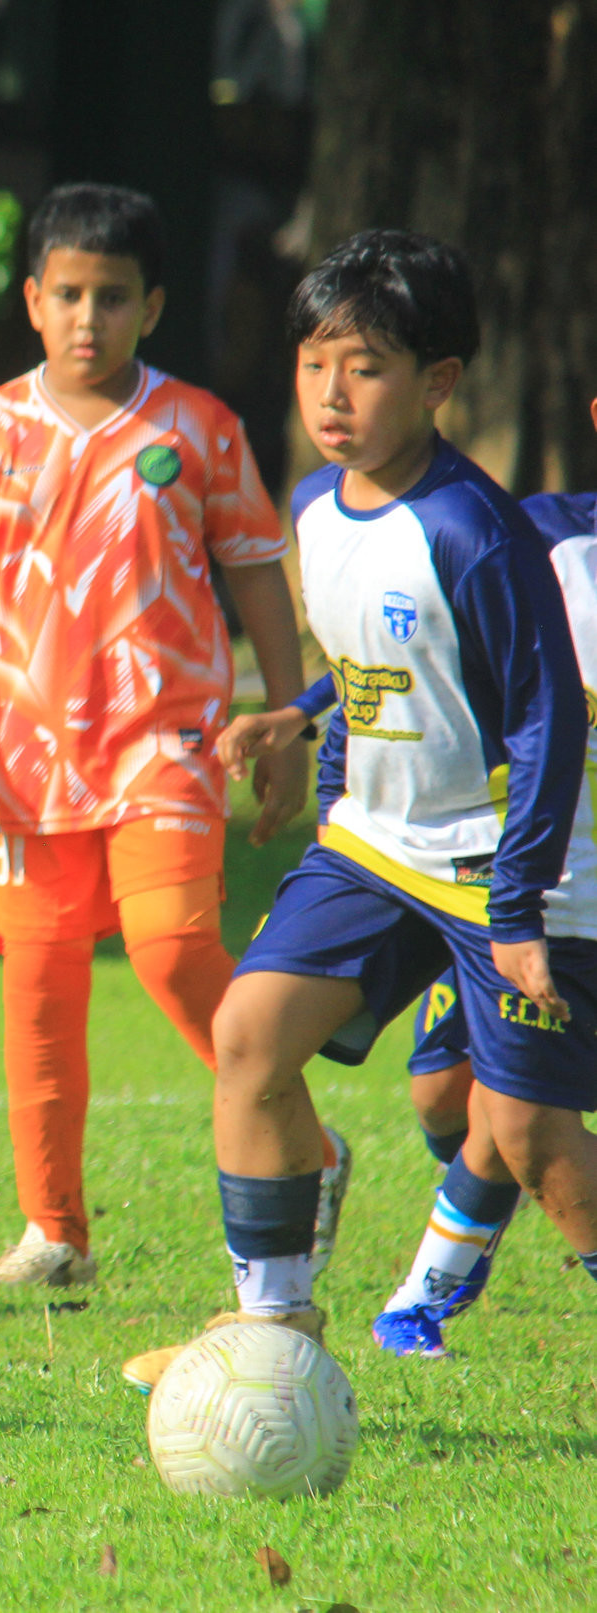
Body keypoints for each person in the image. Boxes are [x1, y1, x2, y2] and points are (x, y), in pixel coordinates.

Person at [122, 229, 590, 1391]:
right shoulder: (317, 504)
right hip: (372, 846)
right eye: (314, 361)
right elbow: (384, 650)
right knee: (246, 1035)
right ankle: (272, 1333)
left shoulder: (476, 533)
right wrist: (298, 715)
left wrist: (519, 904)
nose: (333, 392)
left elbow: (545, 721)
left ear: (438, 383)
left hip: (491, 866)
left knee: (530, 1137)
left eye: (368, 365)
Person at [0, 183, 326, 1291]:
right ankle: (55, 1233)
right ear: (33, 301)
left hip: (167, 747)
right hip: (29, 766)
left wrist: (283, 718)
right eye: (70, 294)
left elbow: (255, 580)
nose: (90, 318)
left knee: (171, 944)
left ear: (153, 306)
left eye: (114, 297)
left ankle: (301, 1144)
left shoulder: (198, 429)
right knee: (38, 990)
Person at [361, 440, 597, 1359]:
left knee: (521, 1115)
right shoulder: (538, 534)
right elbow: (415, 626)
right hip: (500, 875)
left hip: (570, 906)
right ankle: (449, 1264)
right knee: (439, 1094)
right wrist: (304, 707)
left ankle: (423, 1295)